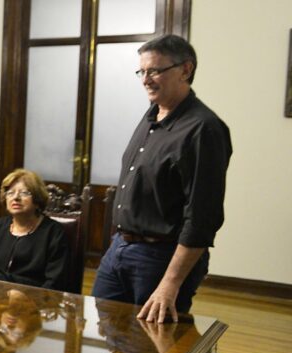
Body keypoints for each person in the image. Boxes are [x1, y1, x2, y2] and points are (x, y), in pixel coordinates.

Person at [93, 34, 232, 323]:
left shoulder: (203, 129)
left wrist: (170, 283)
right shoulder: (150, 118)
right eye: (142, 71)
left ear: (185, 69)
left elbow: (202, 219)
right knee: (107, 336)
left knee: (150, 351)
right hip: (119, 250)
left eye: (155, 70)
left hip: (160, 258)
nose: (146, 79)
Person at [0, 169, 69, 291]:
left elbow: (54, 283)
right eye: (10, 193)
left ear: (37, 199)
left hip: (34, 304)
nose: (16, 198)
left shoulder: (53, 233)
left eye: (24, 193)